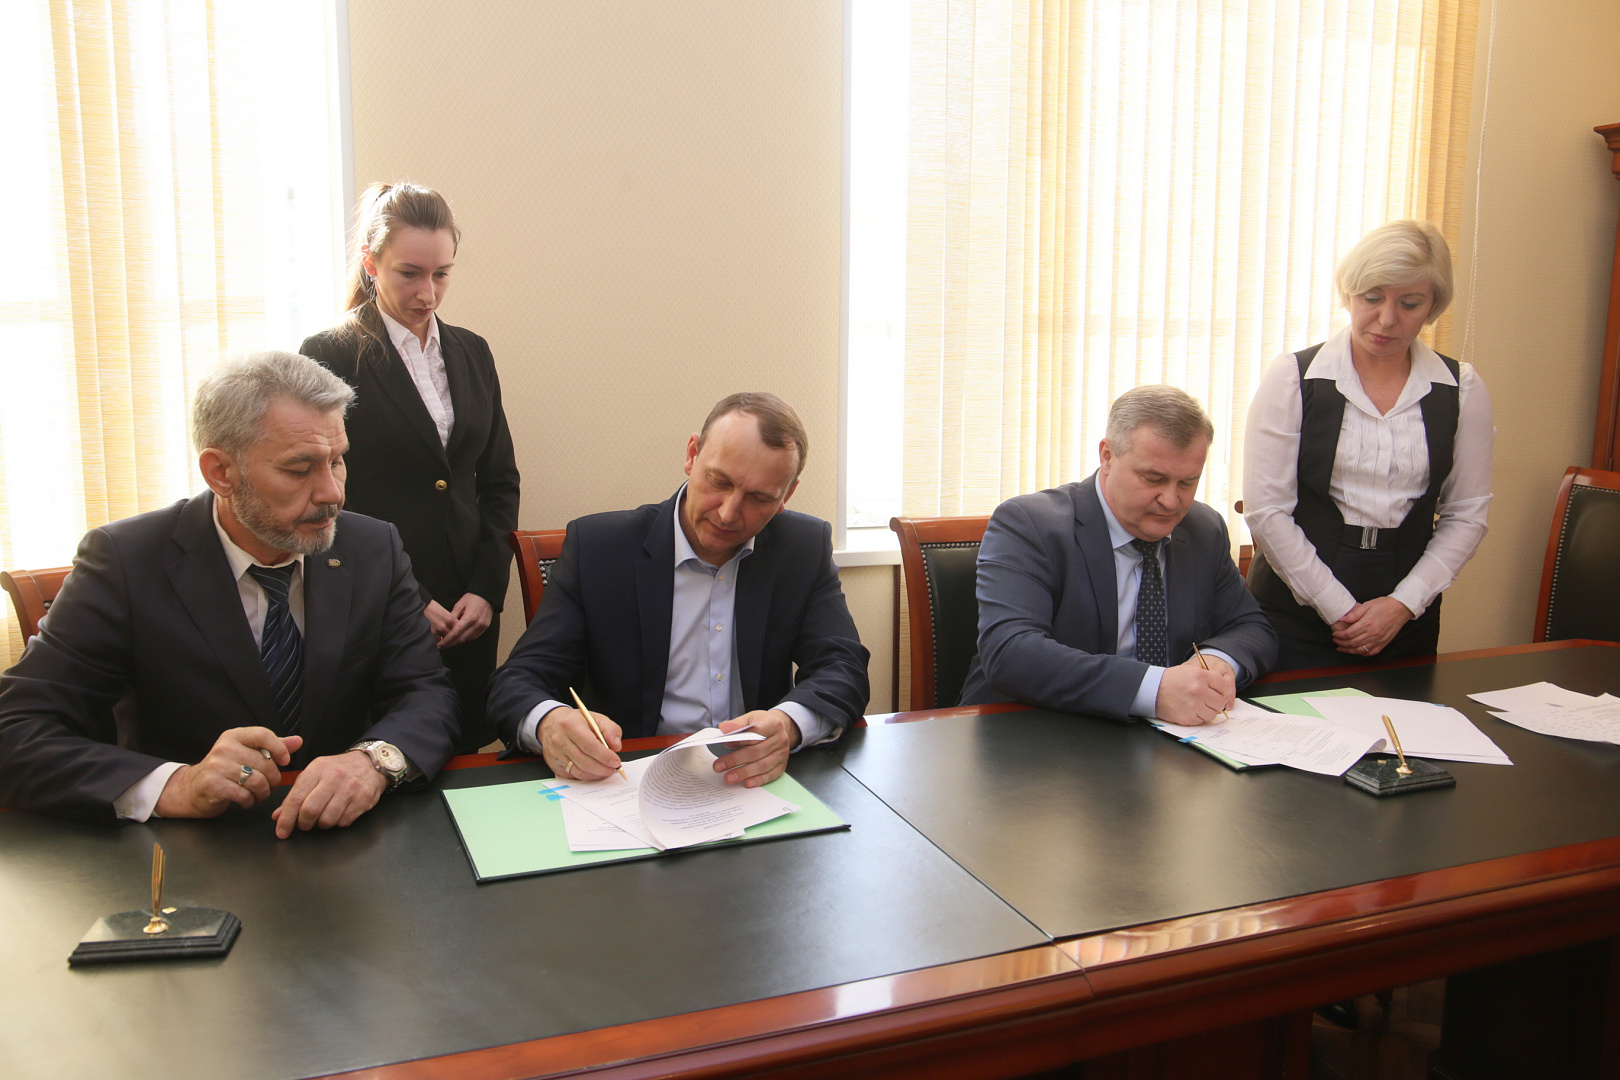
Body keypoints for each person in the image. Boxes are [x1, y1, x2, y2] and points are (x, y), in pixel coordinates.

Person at [0, 351, 461, 832]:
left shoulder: (372, 547)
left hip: (346, 837)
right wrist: (178, 783)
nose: (333, 493)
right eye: (299, 468)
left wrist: (372, 762)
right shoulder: (126, 561)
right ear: (221, 472)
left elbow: (427, 693)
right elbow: (16, 731)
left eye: (337, 460)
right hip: (186, 847)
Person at [488, 392, 870, 788]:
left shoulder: (802, 548)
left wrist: (788, 725)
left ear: (786, 496)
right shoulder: (598, 549)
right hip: (627, 779)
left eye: (759, 498)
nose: (728, 513)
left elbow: (843, 667)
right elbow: (518, 680)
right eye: (719, 481)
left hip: (752, 782)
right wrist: (549, 722)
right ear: (692, 455)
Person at [300, 182, 519, 754]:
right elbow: (330, 493)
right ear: (371, 264)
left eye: (441, 274)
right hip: (377, 595)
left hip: (468, 604)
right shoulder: (329, 353)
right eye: (410, 273)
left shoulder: (472, 351)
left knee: (466, 752)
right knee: (386, 754)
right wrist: (409, 596)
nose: (428, 293)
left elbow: (498, 480)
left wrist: (486, 589)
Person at [1244, 220, 1494, 671]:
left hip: (1405, 619)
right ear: (1349, 293)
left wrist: (1402, 605)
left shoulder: (1462, 389)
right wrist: (1341, 610)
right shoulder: (1294, 378)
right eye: (1372, 298)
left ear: (1433, 306)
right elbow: (1267, 512)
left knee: (1400, 719)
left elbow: (1466, 514)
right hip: (1294, 612)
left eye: (1410, 303)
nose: (1387, 319)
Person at [959, 385, 1277, 725]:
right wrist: (1153, 689)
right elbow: (1010, 652)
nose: (1171, 501)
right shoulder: (1029, 524)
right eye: (1154, 478)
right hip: (1032, 729)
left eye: (1187, 482)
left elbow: (1251, 627)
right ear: (1108, 457)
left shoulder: (1203, 528)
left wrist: (1218, 661)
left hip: (1168, 737)